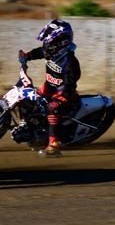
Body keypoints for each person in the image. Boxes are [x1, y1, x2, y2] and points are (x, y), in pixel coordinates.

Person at [18, 19, 81, 158]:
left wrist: (61, 100)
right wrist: (27, 56)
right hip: (49, 87)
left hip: (64, 93)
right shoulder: (52, 51)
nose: (46, 46)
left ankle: (54, 146)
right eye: (46, 43)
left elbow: (71, 85)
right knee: (30, 99)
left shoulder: (70, 62)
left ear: (62, 42)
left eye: (50, 43)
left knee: (52, 111)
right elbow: (40, 52)